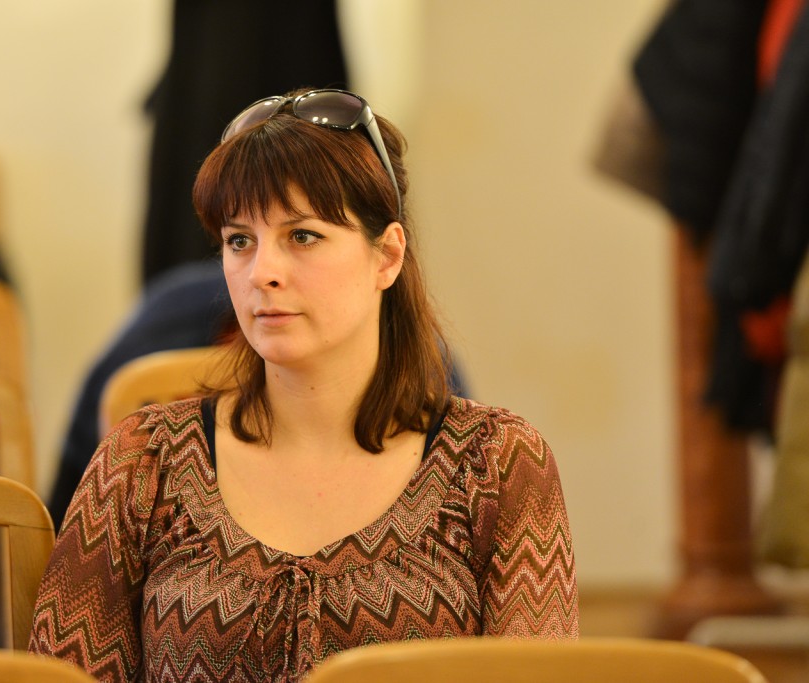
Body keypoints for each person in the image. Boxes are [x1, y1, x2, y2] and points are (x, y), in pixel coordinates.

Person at [30, 87, 579, 682]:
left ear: (387, 257)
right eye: (239, 241)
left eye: (303, 236)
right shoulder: (145, 460)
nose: (261, 272)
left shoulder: (496, 464)